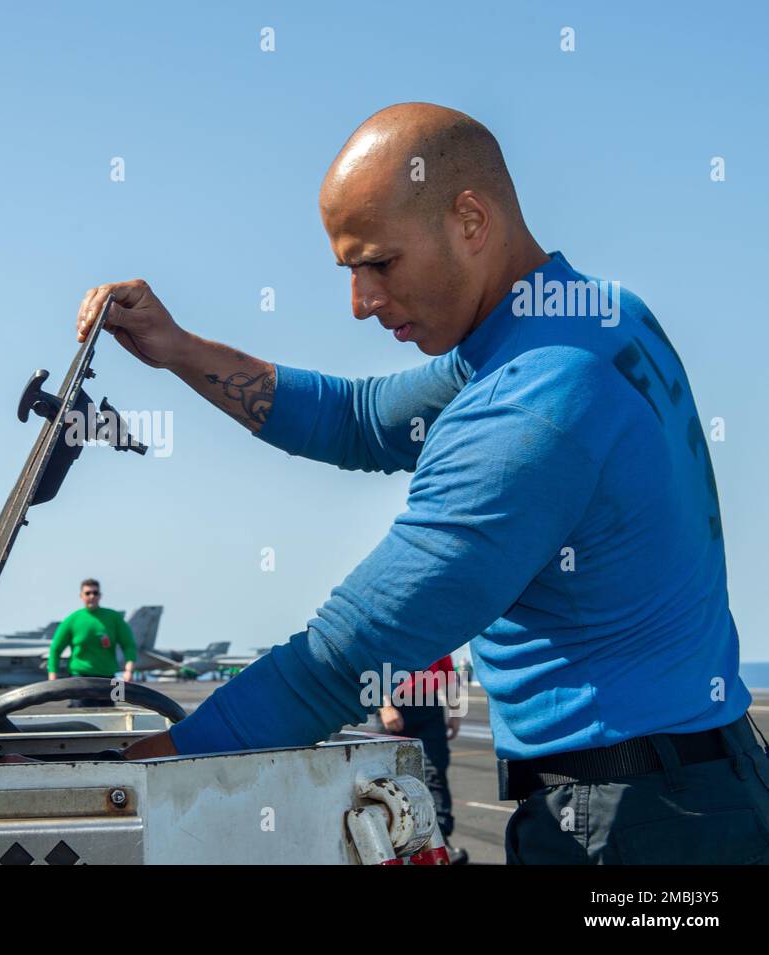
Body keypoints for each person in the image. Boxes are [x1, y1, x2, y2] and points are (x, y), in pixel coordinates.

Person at [89, 103, 767, 864]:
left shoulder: (535, 406)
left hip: (638, 822)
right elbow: (362, 418)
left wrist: (118, 783)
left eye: (379, 264)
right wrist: (177, 349)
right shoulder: (588, 315)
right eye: (350, 271)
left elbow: (349, 655)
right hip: (702, 785)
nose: (361, 302)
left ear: (470, 220)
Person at [376, 656, 466, 863]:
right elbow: (374, 665)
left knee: (435, 772)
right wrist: (385, 707)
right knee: (390, 777)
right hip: (394, 705)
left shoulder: (434, 628)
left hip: (429, 707)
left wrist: (456, 712)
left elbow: (448, 673)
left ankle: (439, 842)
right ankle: (392, 845)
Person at [47, 579, 138, 708]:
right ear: (81, 596)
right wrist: (53, 677)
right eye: (88, 593)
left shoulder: (114, 617)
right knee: (82, 718)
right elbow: (55, 649)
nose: (92, 596)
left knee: (110, 717)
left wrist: (129, 671)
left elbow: (129, 645)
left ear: (100, 596)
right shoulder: (72, 619)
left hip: (109, 678)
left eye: (95, 593)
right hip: (79, 678)